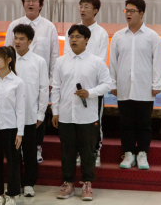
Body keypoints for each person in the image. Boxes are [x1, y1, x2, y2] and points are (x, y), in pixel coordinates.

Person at [52, 24, 113, 201]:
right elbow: (56, 88)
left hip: (87, 115)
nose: (73, 40)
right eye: (71, 37)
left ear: (87, 40)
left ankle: (87, 183)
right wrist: (55, 111)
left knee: (88, 152)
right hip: (66, 114)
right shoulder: (61, 62)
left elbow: (107, 84)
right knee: (67, 151)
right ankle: (68, 183)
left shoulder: (96, 62)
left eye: (78, 37)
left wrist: (90, 92)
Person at [109, 0, 161, 171]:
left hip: (144, 87)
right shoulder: (118, 36)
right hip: (124, 87)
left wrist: (157, 84)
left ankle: (142, 153)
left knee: (144, 123)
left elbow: (158, 62)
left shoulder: (152, 36)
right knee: (126, 123)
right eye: (126, 10)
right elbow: (113, 62)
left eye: (132, 11)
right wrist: (112, 82)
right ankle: (128, 153)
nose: (128, 14)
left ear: (141, 13)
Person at [4, 0, 58, 163]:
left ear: (41, 5)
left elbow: (54, 55)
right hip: (15, 78)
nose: (30, 3)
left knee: (37, 112)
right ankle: (15, 148)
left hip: (39, 79)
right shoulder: (14, 25)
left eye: (34, 0)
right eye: (27, 0)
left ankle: (37, 147)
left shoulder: (49, 27)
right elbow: (6, 52)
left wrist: (52, 80)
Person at [63, 0, 109, 168]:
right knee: (75, 120)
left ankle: (95, 151)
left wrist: (91, 85)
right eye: (80, 6)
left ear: (95, 10)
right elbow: (67, 56)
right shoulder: (73, 30)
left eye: (86, 6)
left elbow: (101, 60)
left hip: (93, 84)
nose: (82, 9)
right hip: (73, 83)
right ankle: (77, 152)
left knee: (95, 121)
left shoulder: (101, 33)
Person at [0, 46, 26, 205]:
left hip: (11, 127)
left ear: (9, 60)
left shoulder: (17, 82)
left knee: (13, 162)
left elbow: (20, 109)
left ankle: (12, 194)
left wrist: (20, 132)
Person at [12, 24, 48, 198]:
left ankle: (29, 183)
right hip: (11, 115)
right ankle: (16, 181)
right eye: (16, 38)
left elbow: (43, 89)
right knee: (13, 151)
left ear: (30, 41)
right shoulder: (8, 59)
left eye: (22, 39)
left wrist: (41, 113)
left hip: (30, 114)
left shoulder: (39, 61)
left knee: (29, 151)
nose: (17, 42)